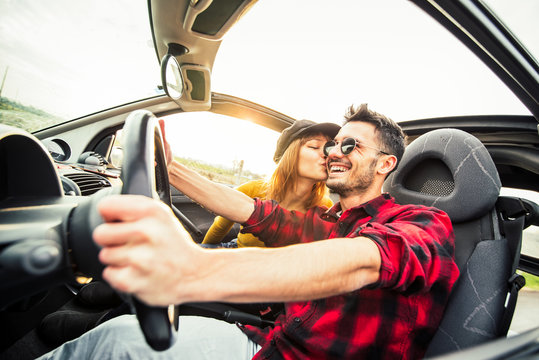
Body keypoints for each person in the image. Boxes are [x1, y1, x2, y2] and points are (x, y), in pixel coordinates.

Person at [39, 104, 459, 360]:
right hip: (268, 342)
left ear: (385, 164)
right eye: (333, 144)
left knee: (118, 346)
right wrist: (169, 166)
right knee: (116, 337)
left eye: (350, 146)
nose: (334, 152)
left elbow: (367, 260)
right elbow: (256, 211)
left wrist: (193, 269)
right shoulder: (332, 223)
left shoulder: (422, 223)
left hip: (283, 356)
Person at [202, 119, 338, 248]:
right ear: (289, 154)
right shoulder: (252, 190)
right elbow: (219, 228)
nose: (328, 154)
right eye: (314, 146)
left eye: (329, 148)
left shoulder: (325, 206)